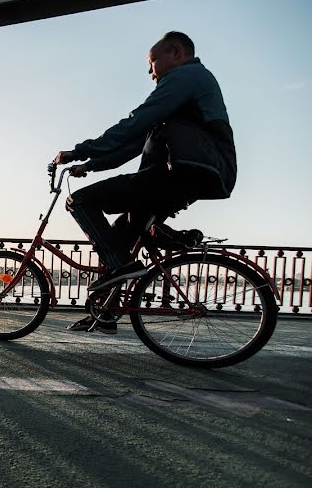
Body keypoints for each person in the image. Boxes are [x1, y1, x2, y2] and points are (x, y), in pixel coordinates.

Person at [55, 31, 236, 333]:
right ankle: (106, 313)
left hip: (173, 176)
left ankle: (127, 266)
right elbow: (135, 142)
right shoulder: (183, 100)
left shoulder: (186, 77)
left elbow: (136, 121)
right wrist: (91, 163)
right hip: (184, 178)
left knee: (80, 201)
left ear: (176, 52)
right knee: (118, 239)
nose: (149, 72)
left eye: (152, 62)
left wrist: (80, 149)